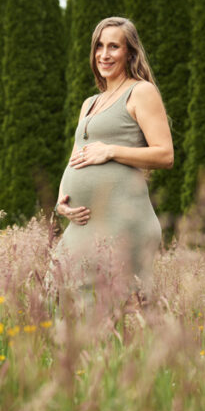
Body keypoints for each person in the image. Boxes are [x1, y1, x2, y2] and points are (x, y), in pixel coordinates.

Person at [46, 16, 173, 306]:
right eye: (99, 46)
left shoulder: (141, 91)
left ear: (130, 52)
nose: (104, 54)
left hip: (122, 220)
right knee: (55, 294)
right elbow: (75, 159)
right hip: (84, 223)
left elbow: (165, 154)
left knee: (110, 309)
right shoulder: (89, 103)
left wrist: (111, 151)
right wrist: (61, 200)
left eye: (114, 46)